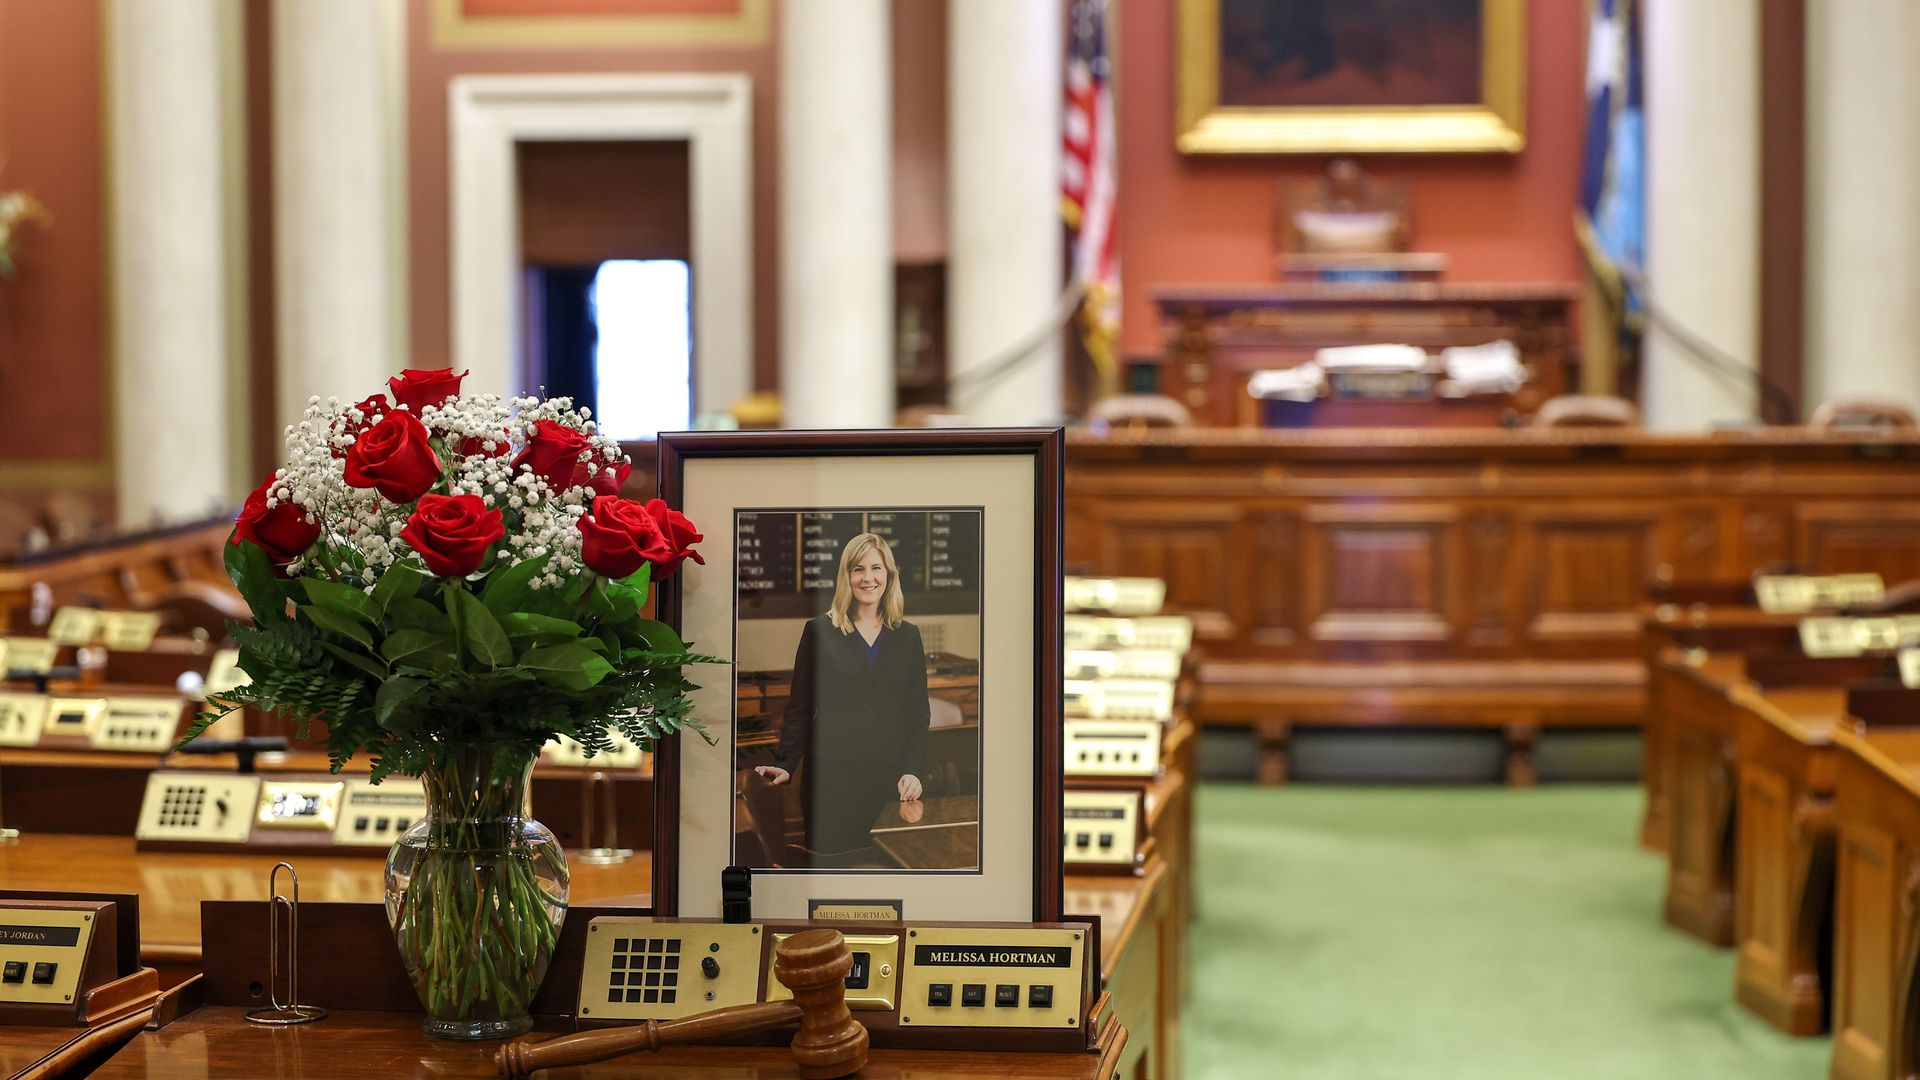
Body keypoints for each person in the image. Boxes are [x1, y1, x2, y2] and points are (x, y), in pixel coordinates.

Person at [754, 531, 930, 860]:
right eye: (858, 569)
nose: (868, 578)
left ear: (889, 575)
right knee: (834, 880)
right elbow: (800, 709)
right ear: (846, 576)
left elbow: (918, 713)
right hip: (831, 784)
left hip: (890, 783)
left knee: (890, 872)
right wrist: (786, 764)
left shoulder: (908, 636)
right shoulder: (819, 631)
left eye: (876, 568)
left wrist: (913, 770)